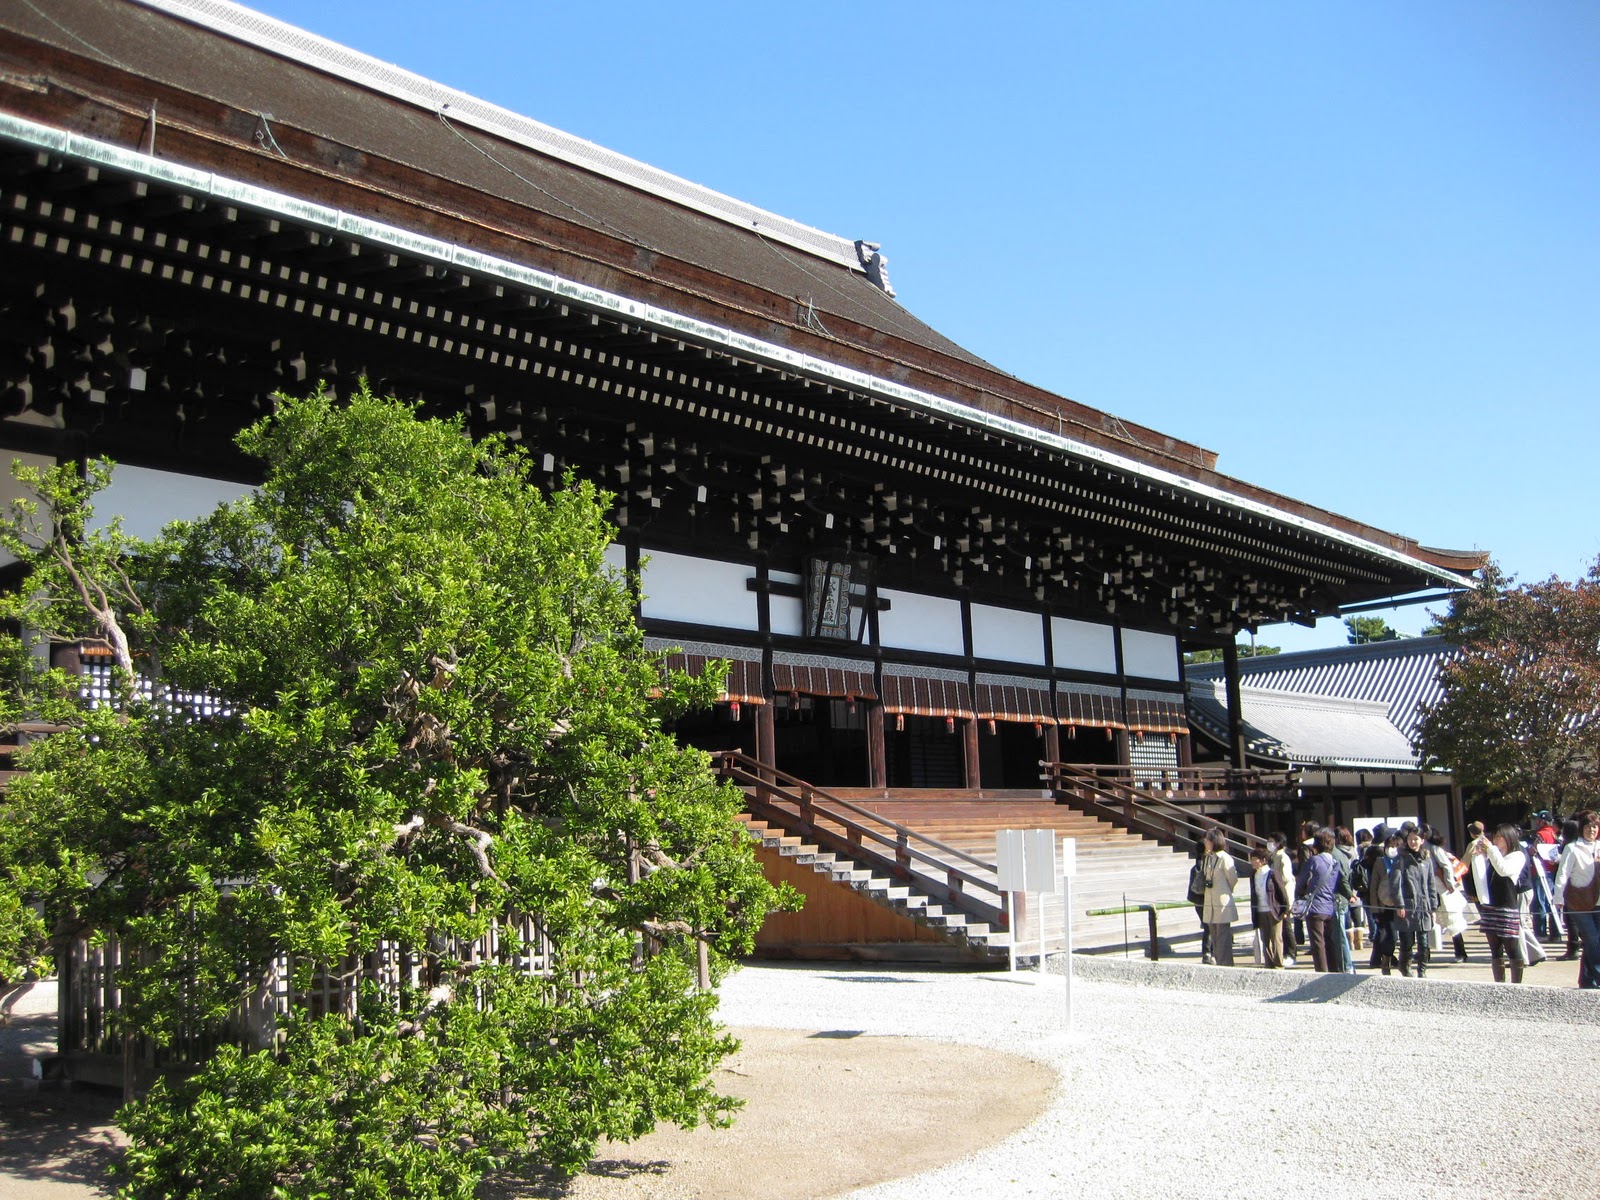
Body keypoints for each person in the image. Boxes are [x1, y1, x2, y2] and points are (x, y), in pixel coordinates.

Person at [1467, 823, 1529, 984]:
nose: (1495, 840)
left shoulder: (1517, 856)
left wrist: (1491, 850)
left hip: (1507, 907)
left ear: (1509, 838)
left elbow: (1503, 869)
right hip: (1490, 906)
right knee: (1495, 949)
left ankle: (1516, 984)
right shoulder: (1493, 855)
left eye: (1499, 837)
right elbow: (1479, 876)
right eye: (1495, 837)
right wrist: (1478, 856)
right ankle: (1499, 983)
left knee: (1512, 947)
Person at [1552, 809, 1600, 990]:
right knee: (1592, 938)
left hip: (1598, 900)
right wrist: (1558, 898)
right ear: (1582, 828)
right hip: (1579, 901)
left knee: (1594, 941)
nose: (1592, 830)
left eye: (1595, 827)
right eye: (1588, 827)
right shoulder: (1572, 848)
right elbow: (1562, 874)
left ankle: (1586, 980)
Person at [1393, 822, 1438, 977]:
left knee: (1424, 942)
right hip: (1407, 905)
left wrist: (1433, 907)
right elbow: (1396, 883)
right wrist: (1399, 904)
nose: (1413, 842)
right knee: (1407, 941)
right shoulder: (1401, 859)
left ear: (1422, 840)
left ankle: (1422, 970)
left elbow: (1431, 884)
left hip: (1424, 906)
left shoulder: (1426, 859)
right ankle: (1405, 967)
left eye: (1416, 839)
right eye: (1411, 839)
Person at [1295, 829, 1342, 973]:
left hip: (1315, 906)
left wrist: (1303, 891)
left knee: (1317, 943)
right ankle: (1335, 971)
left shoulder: (1314, 860)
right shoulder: (1335, 862)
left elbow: (1300, 882)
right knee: (1330, 941)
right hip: (1330, 906)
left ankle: (1321, 971)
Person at [1200, 827, 1239, 966]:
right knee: (1215, 937)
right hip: (1209, 903)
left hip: (1222, 902)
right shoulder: (1208, 858)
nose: (1205, 842)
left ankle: (1226, 964)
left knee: (1223, 937)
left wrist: (1225, 891)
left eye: (1207, 840)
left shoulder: (1225, 858)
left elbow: (1232, 879)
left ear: (1214, 841)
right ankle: (1219, 962)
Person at [1369, 830, 1403, 974]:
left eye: (1397, 845)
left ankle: (1392, 959)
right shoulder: (1380, 862)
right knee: (1389, 933)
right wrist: (1375, 908)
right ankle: (1386, 960)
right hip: (1384, 904)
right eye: (1391, 845)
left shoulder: (1403, 860)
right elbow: (1374, 885)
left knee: (1398, 935)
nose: (1393, 848)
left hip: (1400, 904)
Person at [1249, 844, 1286, 968]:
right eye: (1252, 859)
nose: (1252, 862)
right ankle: (1269, 964)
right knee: (1265, 939)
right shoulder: (1253, 875)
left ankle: (1279, 963)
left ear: (1263, 860)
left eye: (1255, 859)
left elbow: (1282, 892)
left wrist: (1285, 909)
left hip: (1274, 910)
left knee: (1276, 938)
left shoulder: (1273, 873)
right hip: (1260, 910)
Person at [1266, 833, 1297, 966]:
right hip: (1276, 896)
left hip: (1284, 895)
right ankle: (1284, 953)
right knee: (1281, 927)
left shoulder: (1283, 857)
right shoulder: (1273, 857)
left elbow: (1286, 878)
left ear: (1278, 843)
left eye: (1271, 841)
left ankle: (1291, 954)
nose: (1269, 844)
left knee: (1287, 926)